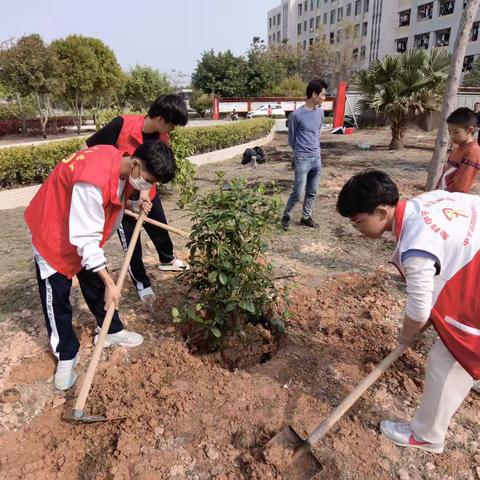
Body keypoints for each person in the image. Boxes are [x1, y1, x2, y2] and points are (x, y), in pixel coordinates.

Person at [337, 169, 480, 454]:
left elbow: (419, 308)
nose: (357, 230)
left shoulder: (416, 245)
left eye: (358, 222)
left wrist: (405, 339)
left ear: (381, 211)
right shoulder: (429, 200)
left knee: (447, 357)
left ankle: (427, 436)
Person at [25, 142, 176, 390]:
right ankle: (66, 354)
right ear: (136, 164)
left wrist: (133, 206)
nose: (146, 187)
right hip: (53, 230)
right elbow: (85, 238)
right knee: (57, 295)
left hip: (80, 227)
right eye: (147, 180)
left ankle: (112, 330)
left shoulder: (119, 161)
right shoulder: (92, 180)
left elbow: (108, 203)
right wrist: (111, 283)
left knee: (94, 277)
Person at [85, 94, 189, 304]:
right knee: (132, 243)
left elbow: (154, 171)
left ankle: (167, 260)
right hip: (119, 196)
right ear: (160, 119)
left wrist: (143, 197)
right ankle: (142, 283)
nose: (173, 130)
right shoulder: (121, 124)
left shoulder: (162, 137)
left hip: (145, 189)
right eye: (173, 125)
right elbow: (89, 152)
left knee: (159, 226)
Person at [281, 78, 328, 230]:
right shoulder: (296, 115)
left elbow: (317, 133)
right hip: (302, 158)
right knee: (298, 192)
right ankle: (286, 216)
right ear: (314, 94)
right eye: (323, 95)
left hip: (316, 157)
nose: (324, 98)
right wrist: (299, 154)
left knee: (312, 190)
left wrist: (315, 152)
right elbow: (291, 139)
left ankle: (306, 217)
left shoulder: (320, 113)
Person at [437, 107, 480, 193]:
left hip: (451, 201)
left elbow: (460, 187)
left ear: (469, 130)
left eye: (456, 132)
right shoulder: (457, 149)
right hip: (442, 196)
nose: (452, 135)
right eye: (450, 131)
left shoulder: (472, 152)